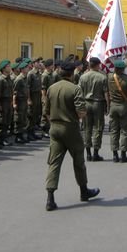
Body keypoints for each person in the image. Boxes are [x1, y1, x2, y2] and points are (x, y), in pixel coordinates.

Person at [44, 60, 100, 212]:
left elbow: (46, 111)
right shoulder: (75, 89)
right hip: (70, 129)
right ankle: (84, 191)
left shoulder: (51, 88)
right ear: (72, 73)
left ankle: (50, 198)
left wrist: (55, 122)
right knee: (78, 161)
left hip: (55, 129)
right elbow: (81, 112)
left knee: (54, 163)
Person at [79, 57, 109, 161]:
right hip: (98, 103)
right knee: (98, 128)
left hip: (86, 102)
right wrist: (107, 106)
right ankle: (96, 152)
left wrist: (79, 106)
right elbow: (106, 94)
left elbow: (79, 93)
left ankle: (88, 153)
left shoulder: (83, 77)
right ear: (97, 65)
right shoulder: (102, 77)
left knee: (87, 128)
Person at [107, 59, 127, 163]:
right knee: (125, 130)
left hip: (113, 105)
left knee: (114, 130)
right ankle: (123, 154)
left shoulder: (110, 77)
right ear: (123, 69)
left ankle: (115, 154)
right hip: (124, 106)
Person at [13, 61, 31, 143]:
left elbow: (27, 90)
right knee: (18, 118)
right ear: (23, 69)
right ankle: (18, 136)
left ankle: (21, 135)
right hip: (19, 101)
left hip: (24, 101)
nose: (28, 68)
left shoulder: (25, 78)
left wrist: (28, 99)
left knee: (23, 118)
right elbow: (14, 92)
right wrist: (14, 103)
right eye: (27, 67)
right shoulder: (19, 79)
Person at [0, 60, 14, 147]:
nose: (10, 67)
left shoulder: (9, 78)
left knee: (7, 120)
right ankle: (1, 139)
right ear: (4, 68)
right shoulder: (1, 79)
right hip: (3, 102)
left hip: (8, 102)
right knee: (2, 121)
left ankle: (5, 138)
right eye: (8, 66)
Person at [40, 59, 57, 138]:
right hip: (46, 96)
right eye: (51, 65)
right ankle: (44, 130)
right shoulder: (45, 75)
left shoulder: (52, 74)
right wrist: (44, 98)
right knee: (45, 113)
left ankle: (49, 129)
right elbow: (43, 88)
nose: (53, 66)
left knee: (50, 113)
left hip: (51, 96)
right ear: (48, 66)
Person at [27, 59, 43, 139]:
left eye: (39, 62)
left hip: (38, 96)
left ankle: (33, 132)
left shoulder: (39, 73)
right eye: (37, 62)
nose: (39, 64)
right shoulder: (30, 74)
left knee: (36, 114)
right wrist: (29, 99)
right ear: (33, 64)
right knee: (31, 114)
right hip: (32, 95)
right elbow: (28, 88)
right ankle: (29, 133)